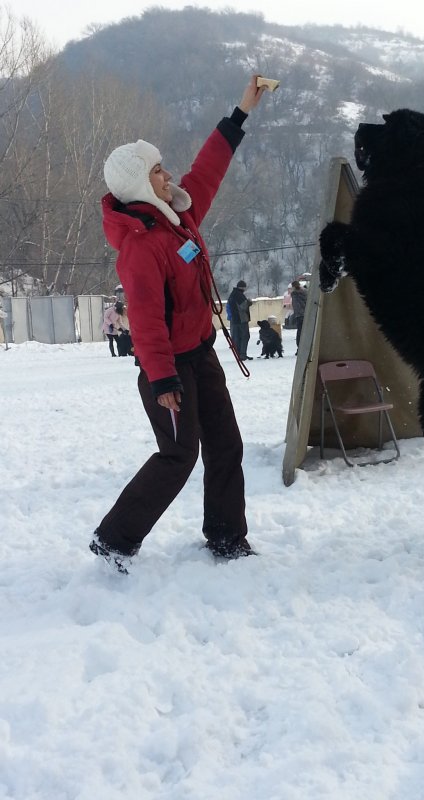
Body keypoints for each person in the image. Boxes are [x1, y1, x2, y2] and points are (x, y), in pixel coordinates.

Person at [90, 74, 267, 573]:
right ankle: (113, 539)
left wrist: (239, 114)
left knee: (226, 445)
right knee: (178, 455)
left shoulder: (178, 220)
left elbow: (208, 172)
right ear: (140, 185)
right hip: (165, 367)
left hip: (200, 353)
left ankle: (228, 538)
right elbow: (144, 321)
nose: (171, 177)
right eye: (160, 172)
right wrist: (164, 379)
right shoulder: (142, 247)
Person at [227, 280, 253, 360]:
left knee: (236, 337)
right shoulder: (239, 295)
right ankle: (242, 354)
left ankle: (238, 355)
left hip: (234, 320)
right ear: (243, 287)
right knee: (245, 336)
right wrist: (249, 302)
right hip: (241, 320)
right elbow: (244, 306)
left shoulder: (232, 295)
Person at [290, 280, 307, 355]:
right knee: (306, 331)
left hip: (299, 315)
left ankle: (300, 348)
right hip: (307, 314)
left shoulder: (294, 294)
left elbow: (296, 306)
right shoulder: (306, 292)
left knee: (300, 332)